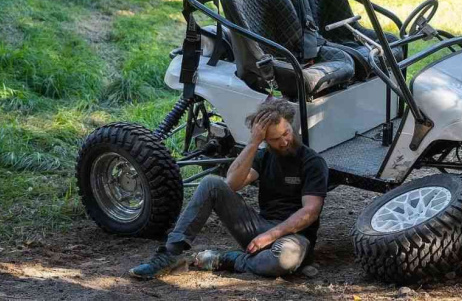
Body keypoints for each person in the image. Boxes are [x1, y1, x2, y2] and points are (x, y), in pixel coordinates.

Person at [129, 98, 329, 279]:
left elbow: (310, 212)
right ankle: (169, 255)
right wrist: (252, 143)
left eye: (286, 133)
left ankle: (229, 259)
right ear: (265, 140)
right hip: (258, 229)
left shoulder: (312, 162)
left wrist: (271, 236)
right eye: (275, 139)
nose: (284, 141)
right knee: (211, 183)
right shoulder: (263, 156)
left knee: (283, 259)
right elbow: (231, 184)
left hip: (294, 238)